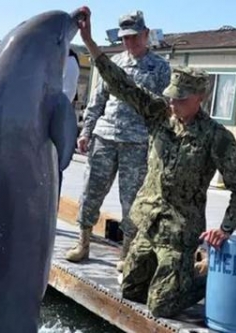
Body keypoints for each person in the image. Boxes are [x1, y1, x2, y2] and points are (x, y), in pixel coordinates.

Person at [75, 7, 236, 318]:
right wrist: (90, 42)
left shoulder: (217, 137)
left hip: (180, 231)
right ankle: (173, 274)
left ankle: (206, 275)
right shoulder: (159, 115)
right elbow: (122, 84)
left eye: (180, 99)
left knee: (162, 305)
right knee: (131, 289)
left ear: (200, 98)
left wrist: (224, 229)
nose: (172, 103)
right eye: (171, 96)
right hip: (149, 223)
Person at [65, 10, 171, 273]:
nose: (130, 43)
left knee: (132, 201)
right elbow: (97, 100)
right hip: (105, 137)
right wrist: (86, 131)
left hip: (137, 142)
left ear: (146, 34)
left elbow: (166, 109)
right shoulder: (112, 63)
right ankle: (83, 243)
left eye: (135, 37)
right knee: (91, 191)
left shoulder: (160, 68)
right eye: (125, 38)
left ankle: (127, 253)